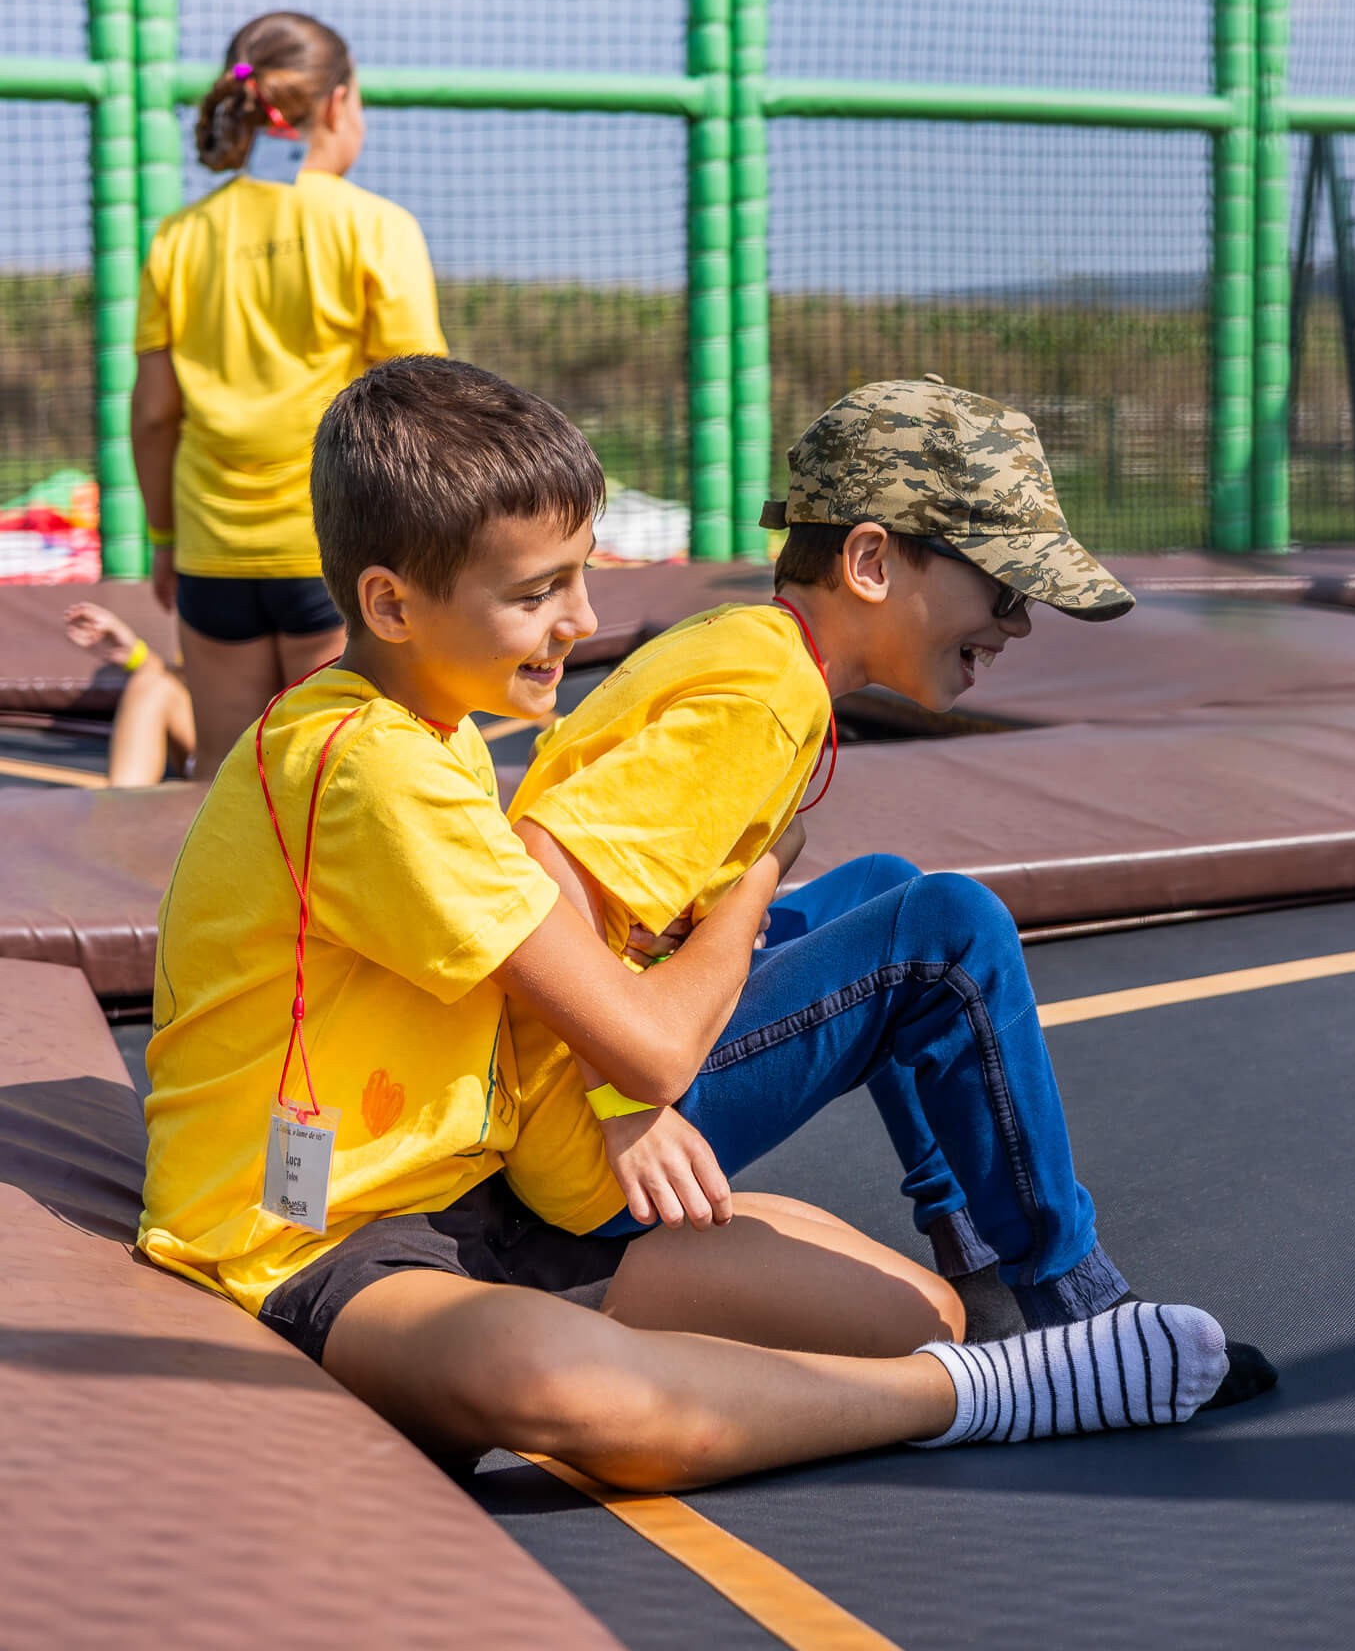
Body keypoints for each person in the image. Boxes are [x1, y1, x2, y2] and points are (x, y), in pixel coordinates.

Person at [139, 357, 1233, 1491]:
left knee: (923, 1307)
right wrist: (717, 939)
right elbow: (628, 1001)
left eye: (582, 577)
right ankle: (1022, 1377)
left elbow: (554, 915)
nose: (584, 618)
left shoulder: (441, 731)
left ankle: (972, 1306)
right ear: (389, 604)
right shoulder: (368, 767)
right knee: (570, 1386)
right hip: (312, 1239)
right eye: (539, 592)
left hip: (481, 1189)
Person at [507, 375, 1276, 1405]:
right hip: (580, 1121)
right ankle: (1072, 1300)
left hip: (584, 1059)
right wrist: (615, 1101)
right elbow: (534, 880)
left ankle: (974, 1254)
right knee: (948, 930)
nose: (1019, 623)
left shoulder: (748, 651)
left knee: (885, 887)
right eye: (1003, 589)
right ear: (871, 560)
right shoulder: (764, 699)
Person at [130, 10, 448, 781]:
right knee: (337, 785)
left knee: (227, 786)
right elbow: (418, 408)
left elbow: (153, 415)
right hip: (339, 552)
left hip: (212, 554)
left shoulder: (178, 236)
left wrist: (167, 542)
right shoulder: (376, 227)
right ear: (337, 104)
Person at [63, 599, 195, 785]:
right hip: (215, 757)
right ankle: (122, 805)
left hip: (239, 761)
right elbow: (182, 688)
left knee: (155, 685)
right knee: (153, 686)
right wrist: (138, 657)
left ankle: (122, 803)